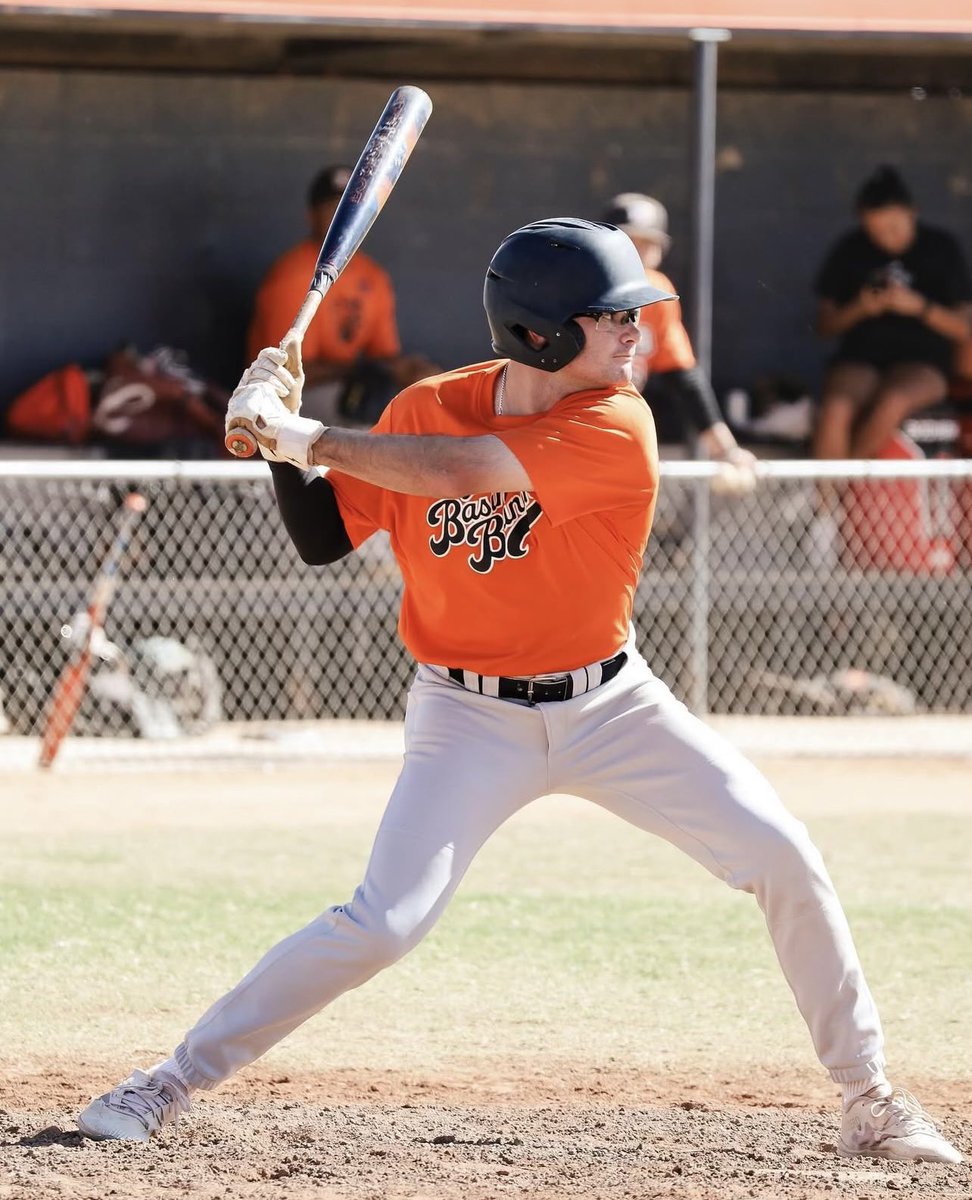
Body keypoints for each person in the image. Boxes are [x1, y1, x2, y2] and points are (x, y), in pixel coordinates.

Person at [78, 218, 961, 1165]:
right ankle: (167, 1081)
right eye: (615, 320)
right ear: (542, 335)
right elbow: (326, 536)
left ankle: (869, 1099)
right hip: (467, 716)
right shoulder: (425, 407)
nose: (639, 337)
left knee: (784, 854)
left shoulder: (619, 420)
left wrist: (303, 432)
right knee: (382, 924)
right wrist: (283, 447)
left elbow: (469, 472)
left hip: (614, 707)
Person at [246, 163, 438, 426]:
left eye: (353, 209)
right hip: (282, 401)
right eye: (333, 209)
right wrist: (368, 371)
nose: (345, 217)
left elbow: (383, 356)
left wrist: (410, 371)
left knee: (423, 397)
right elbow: (288, 375)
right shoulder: (293, 275)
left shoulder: (373, 276)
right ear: (312, 216)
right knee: (370, 417)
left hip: (346, 386)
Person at [812, 165, 972, 461]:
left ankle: (848, 487)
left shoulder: (942, 249)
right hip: (861, 359)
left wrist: (918, 307)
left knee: (893, 401)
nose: (886, 239)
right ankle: (826, 505)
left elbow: (964, 329)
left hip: (924, 363)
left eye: (894, 228)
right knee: (836, 407)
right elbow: (824, 327)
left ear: (913, 212)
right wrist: (860, 308)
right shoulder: (851, 249)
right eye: (876, 231)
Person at [601, 192, 756, 490]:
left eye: (646, 243)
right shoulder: (580, 289)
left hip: (618, 424)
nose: (637, 252)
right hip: (567, 422)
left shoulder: (657, 293)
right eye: (628, 241)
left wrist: (726, 450)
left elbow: (682, 377)